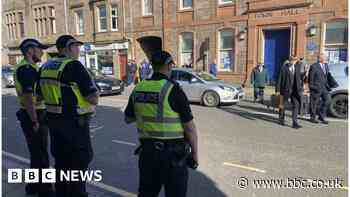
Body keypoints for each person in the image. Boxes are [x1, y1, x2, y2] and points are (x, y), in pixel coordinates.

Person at [124, 51, 199, 197]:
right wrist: (195, 155)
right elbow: (190, 128)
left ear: (152, 66)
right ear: (169, 66)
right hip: (173, 158)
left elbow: (128, 118)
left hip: (148, 154)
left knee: (147, 193)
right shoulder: (173, 89)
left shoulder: (139, 88)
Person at [38, 35, 99, 197]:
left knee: (61, 161)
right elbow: (92, 97)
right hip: (75, 123)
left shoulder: (46, 66)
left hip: (53, 122)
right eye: (75, 46)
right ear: (67, 48)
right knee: (80, 160)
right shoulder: (74, 66)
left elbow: (39, 96)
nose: (78, 49)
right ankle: (78, 193)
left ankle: (62, 193)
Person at [14, 39, 53, 197]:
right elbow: (29, 97)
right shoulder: (27, 69)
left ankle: (32, 187)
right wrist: (34, 120)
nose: (42, 52)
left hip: (31, 113)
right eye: (39, 49)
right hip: (34, 114)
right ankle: (46, 191)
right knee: (41, 156)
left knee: (36, 155)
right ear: (30, 50)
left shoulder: (29, 67)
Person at [276, 56, 303, 129]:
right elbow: (279, 79)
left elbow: (299, 78)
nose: (293, 61)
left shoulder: (297, 67)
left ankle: (295, 122)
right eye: (292, 60)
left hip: (295, 91)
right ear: (289, 60)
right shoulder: (284, 68)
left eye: (295, 60)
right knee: (282, 105)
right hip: (285, 90)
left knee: (296, 105)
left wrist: (301, 88)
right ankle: (281, 119)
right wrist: (278, 90)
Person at [308, 53, 331, 124]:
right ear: (320, 58)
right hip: (316, 88)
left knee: (328, 100)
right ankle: (313, 117)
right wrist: (312, 87)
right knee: (314, 103)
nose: (326, 59)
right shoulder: (314, 66)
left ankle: (321, 116)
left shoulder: (326, 65)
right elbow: (310, 78)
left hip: (324, 88)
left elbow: (327, 76)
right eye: (324, 58)